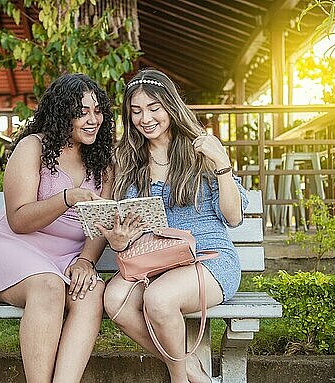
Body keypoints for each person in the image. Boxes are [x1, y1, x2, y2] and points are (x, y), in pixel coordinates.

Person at [97, 69, 249, 383]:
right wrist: (118, 240)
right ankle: (192, 369)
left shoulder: (200, 149)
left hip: (210, 259)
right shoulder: (126, 159)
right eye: (136, 111)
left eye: (154, 108)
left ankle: (180, 378)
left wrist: (222, 165)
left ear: (170, 106)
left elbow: (233, 217)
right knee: (114, 300)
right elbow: (123, 234)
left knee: (159, 299)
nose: (145, 118)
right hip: (156, 260)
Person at [0, 73, 114, 383]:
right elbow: (18, 220)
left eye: (97, 110)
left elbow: (100, 223)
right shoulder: (33, 147)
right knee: (48, 287)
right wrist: (66, 198)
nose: (92, 120)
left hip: (66, 257)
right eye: (82, 111)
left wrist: (86, 260)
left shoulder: (103, 161)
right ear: (62, 112)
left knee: (92, 291)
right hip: (13, 248)